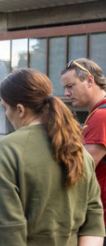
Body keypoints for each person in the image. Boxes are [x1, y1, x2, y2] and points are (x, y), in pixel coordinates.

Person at [0, 68, 104, 246]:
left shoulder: (8, 148)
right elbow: (94, 222)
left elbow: (8, 230)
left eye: (6, 108)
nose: (6, 114)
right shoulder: (78, 149)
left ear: (20, 109)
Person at [61, 58, 106, 244]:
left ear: (89, 80)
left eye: (70, 86)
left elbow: (80, 171)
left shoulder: (100, 116)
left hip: (101, 218)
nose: (66, 93)